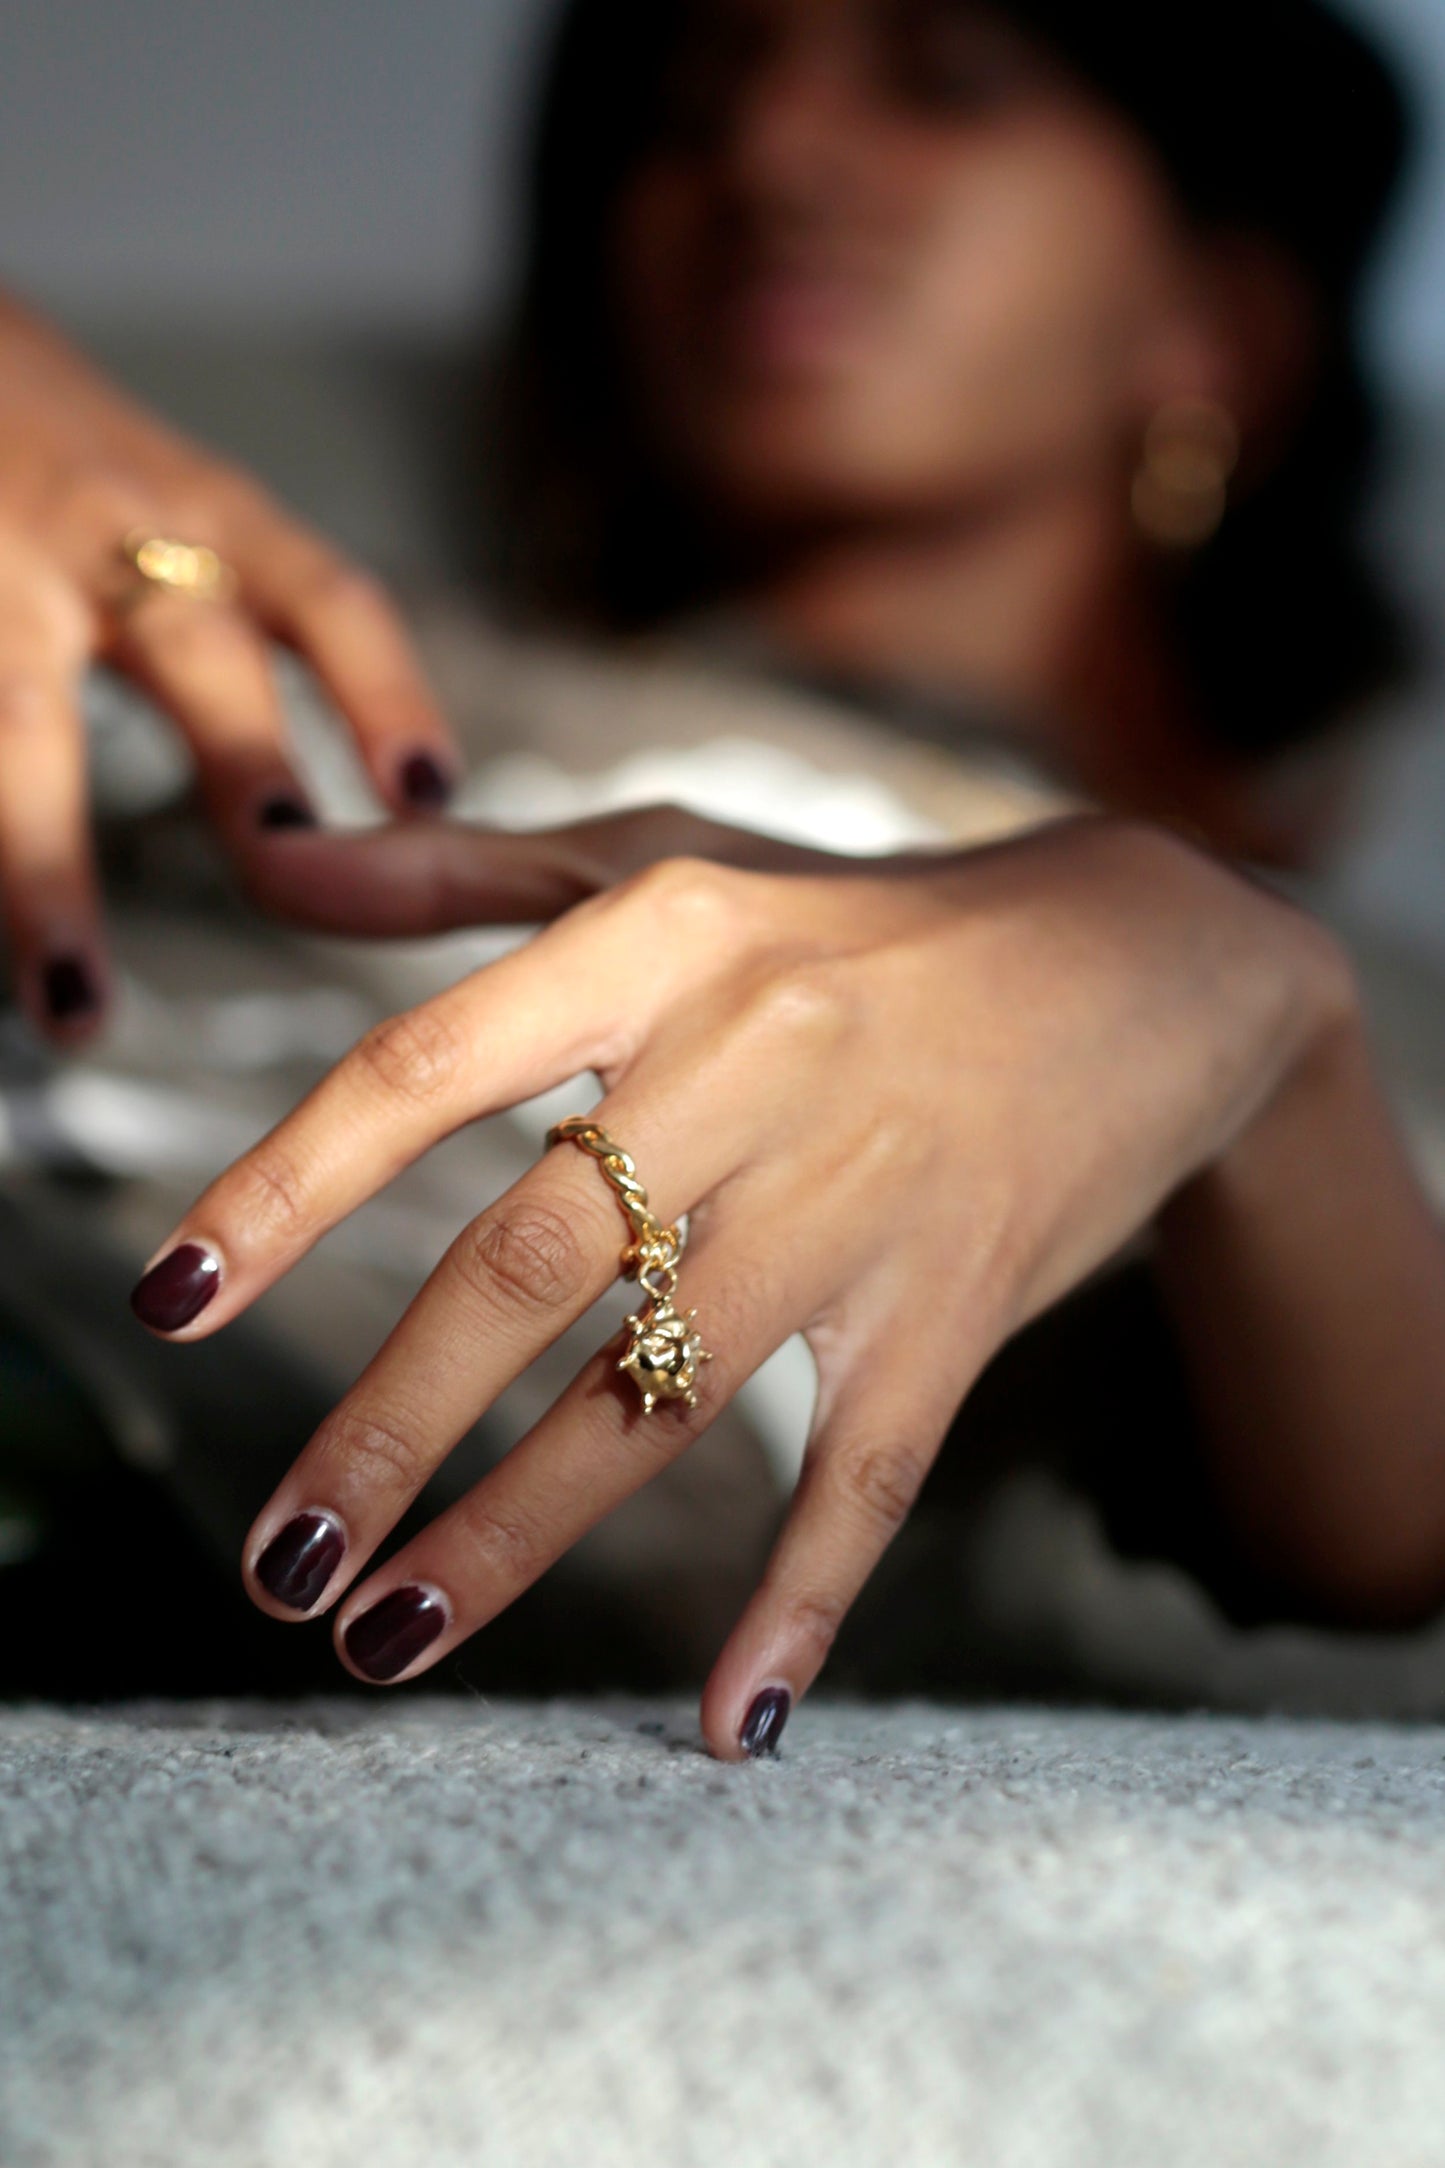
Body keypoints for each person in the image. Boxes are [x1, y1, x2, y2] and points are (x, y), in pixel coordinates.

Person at [6, 0, 1445, 1751]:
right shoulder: (345, 638)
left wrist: (1254, 1007)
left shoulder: (1338, 1002)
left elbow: (1378, 1557)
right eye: (692, 108)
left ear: (1215, 321)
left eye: (947, 83)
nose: (770, 162)